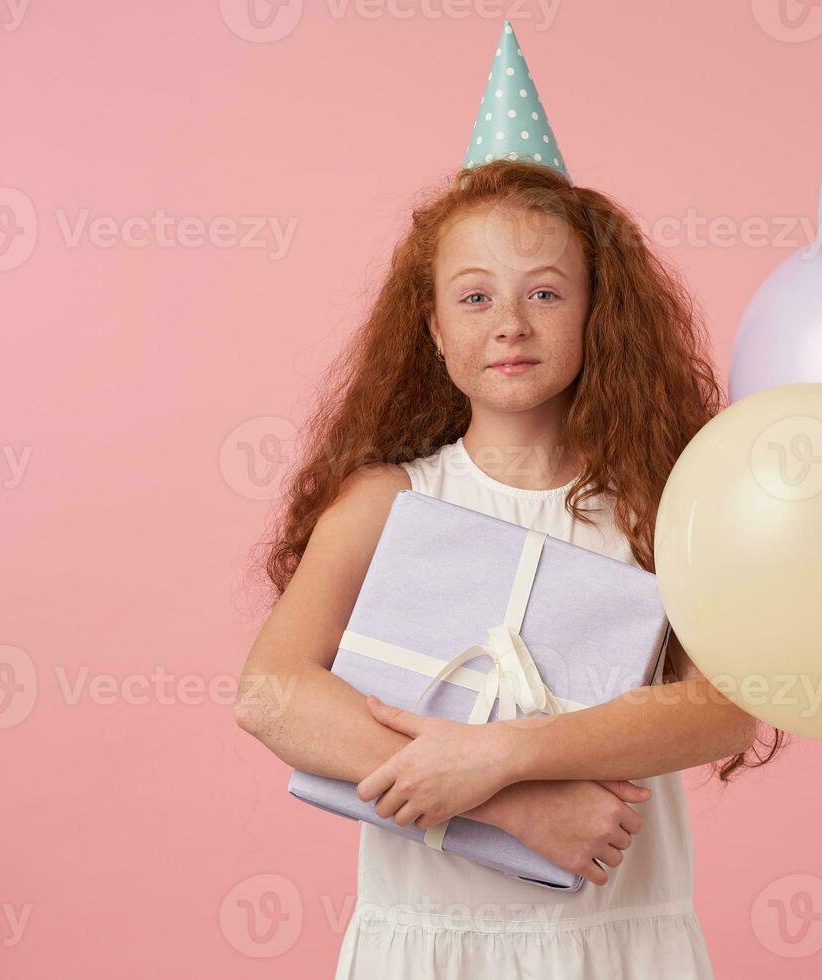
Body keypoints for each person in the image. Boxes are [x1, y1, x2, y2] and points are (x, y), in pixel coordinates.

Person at [235, 22, 786, 978]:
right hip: (432, 945)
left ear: (596, 311)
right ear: (433, 324)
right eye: (476, 297)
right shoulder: (388, 501)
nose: (511, 326)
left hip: (616, 944)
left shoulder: (662, 504)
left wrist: (507, 752)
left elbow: (723, 709)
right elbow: (272, 692)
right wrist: (506, 802)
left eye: (545, 293)